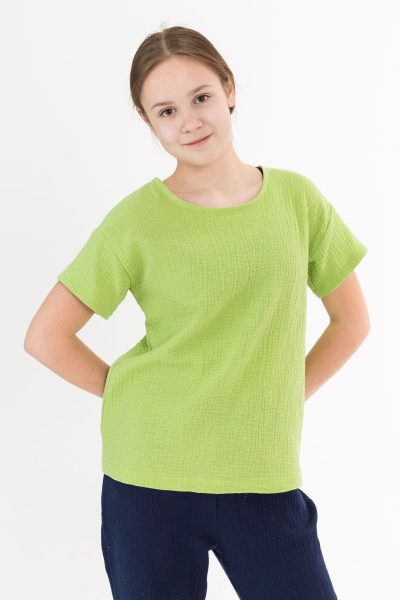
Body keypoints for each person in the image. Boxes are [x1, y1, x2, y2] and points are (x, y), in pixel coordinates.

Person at [24, 25, 369, 600]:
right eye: (166, 110)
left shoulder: (297, 200)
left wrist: (282, 394)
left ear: (229, 88)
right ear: (147, 121)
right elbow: (45, 337)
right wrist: (131, 396)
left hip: (261, 473)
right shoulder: (136, 220)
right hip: (147, 477)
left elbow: (352, 320)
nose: (190, 121)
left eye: (201, 97)